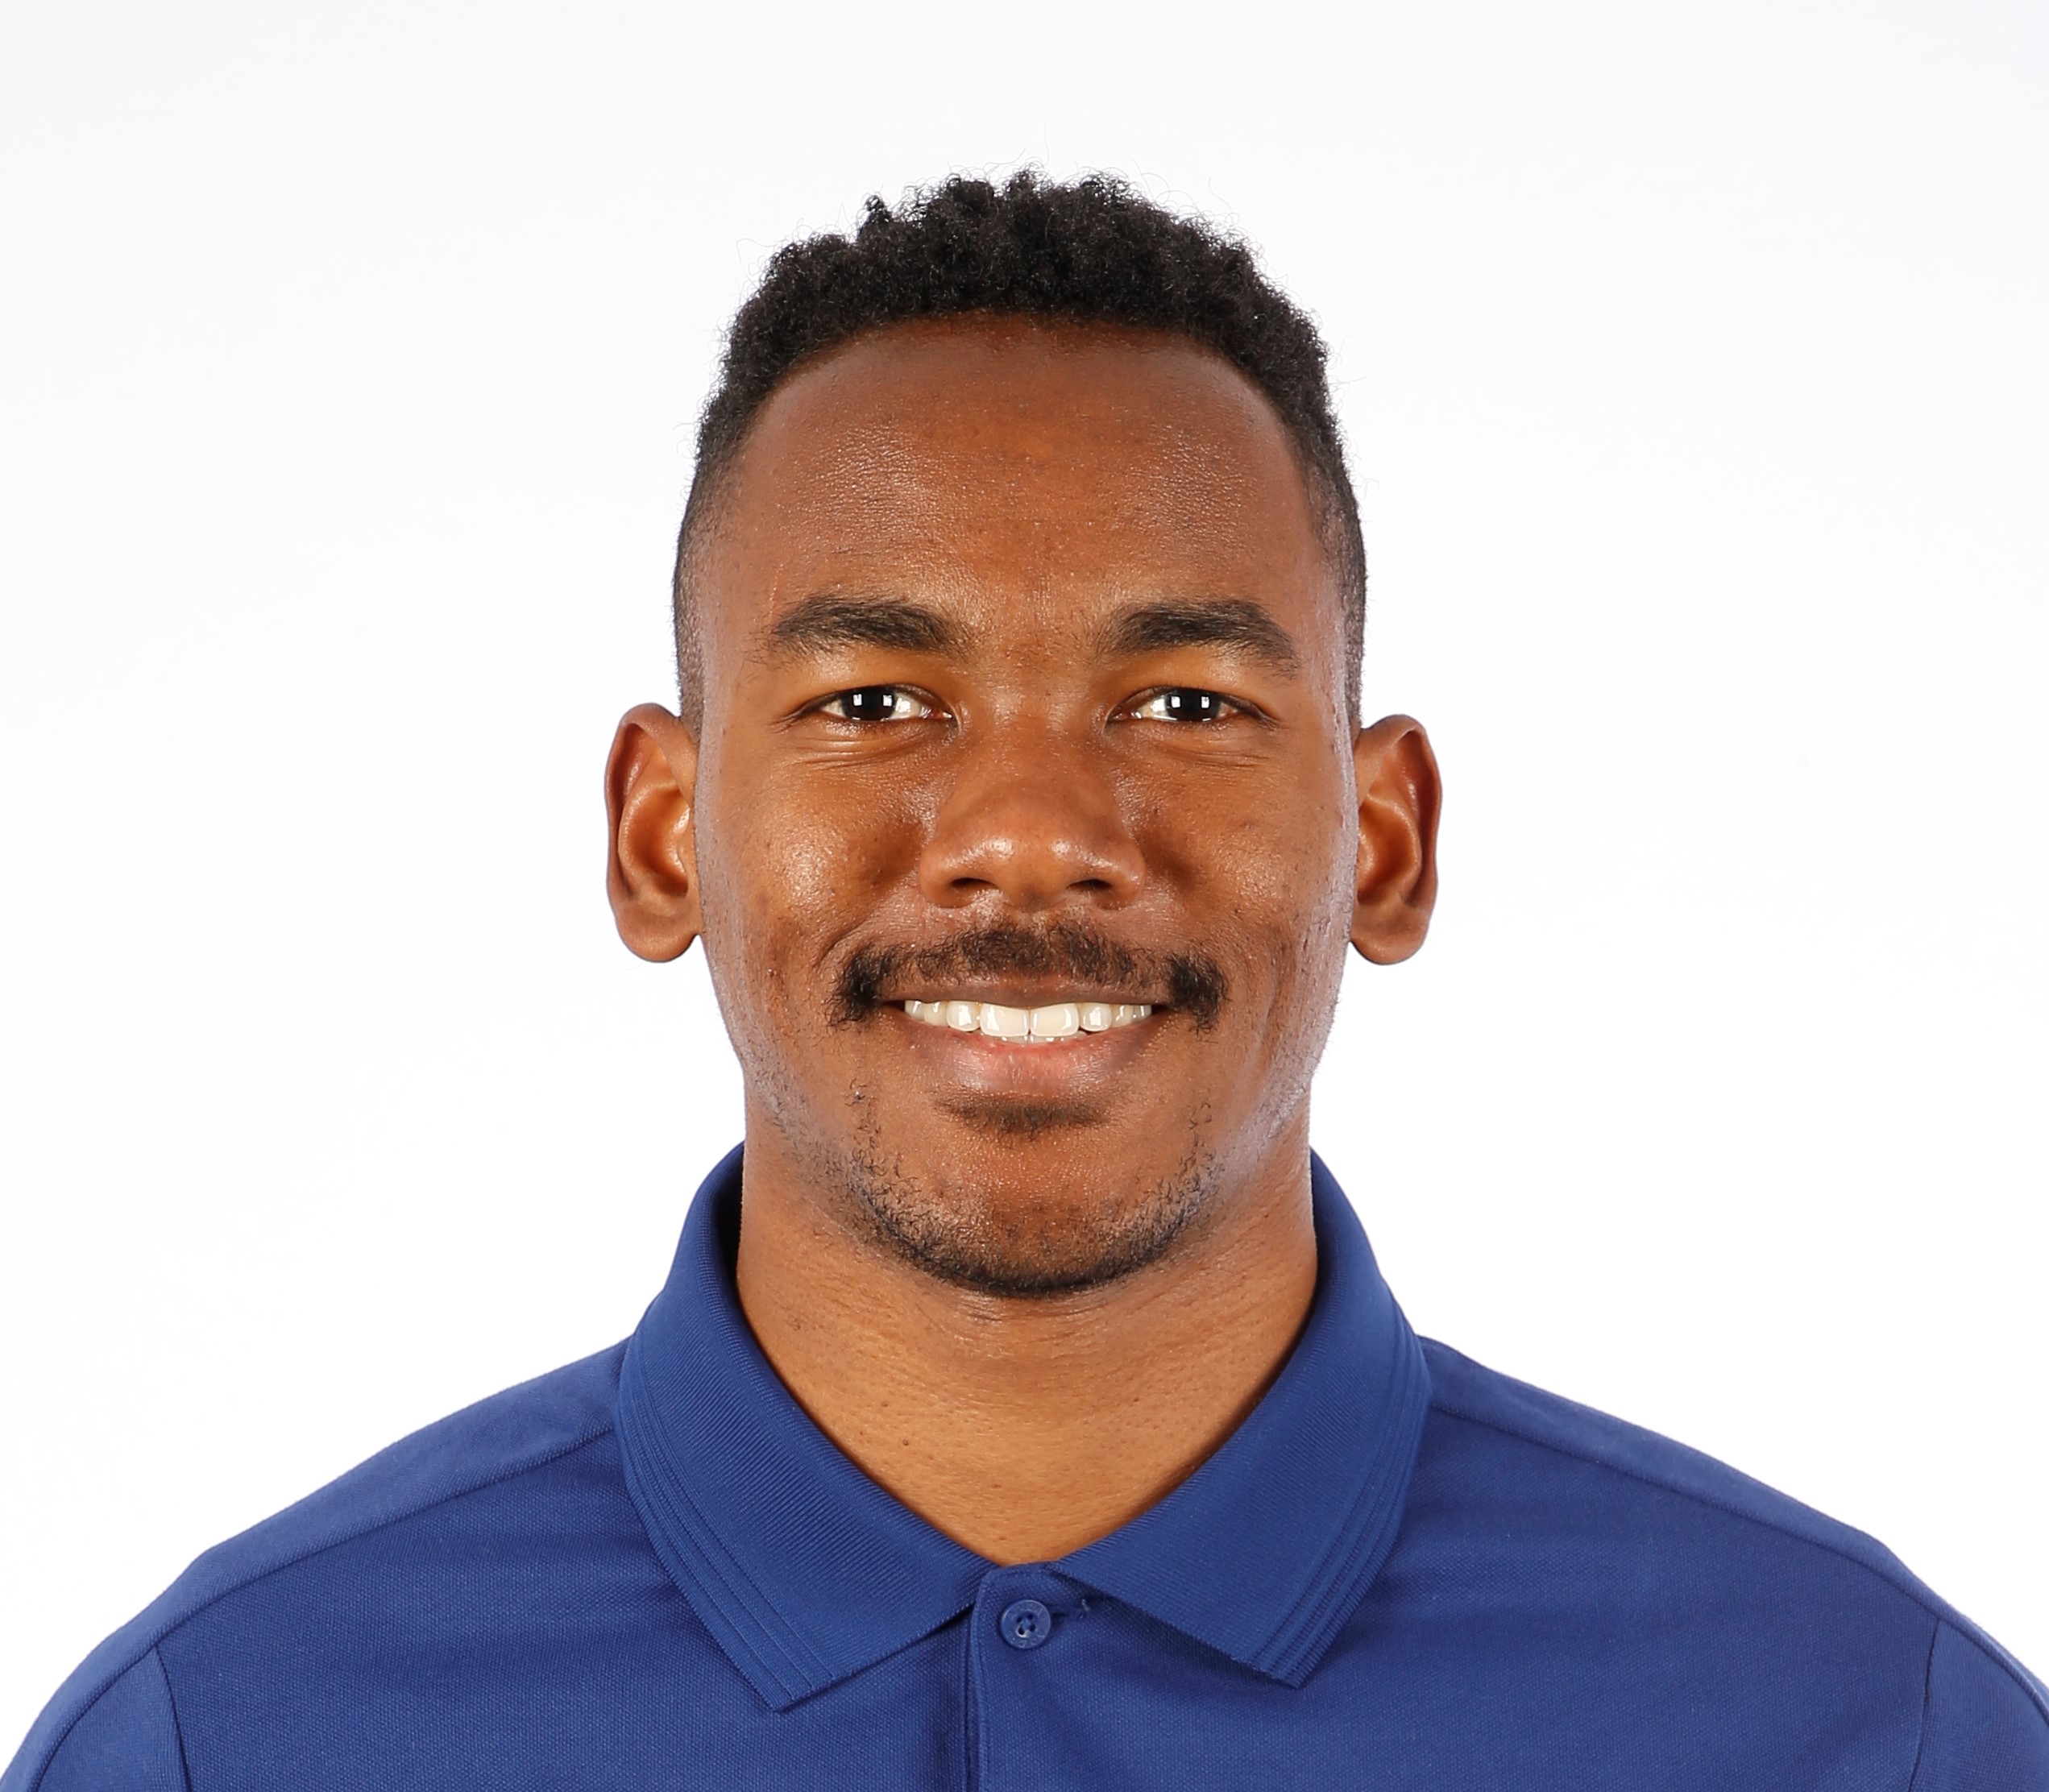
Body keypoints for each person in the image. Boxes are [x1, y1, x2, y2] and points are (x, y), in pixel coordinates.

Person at [7, 172, 2043, 1792]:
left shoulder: (1869, 1732)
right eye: (876, 698)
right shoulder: (225, 1739)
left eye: (1185, 700)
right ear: (663, 836)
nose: (1033, 832)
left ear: (1385, 839)